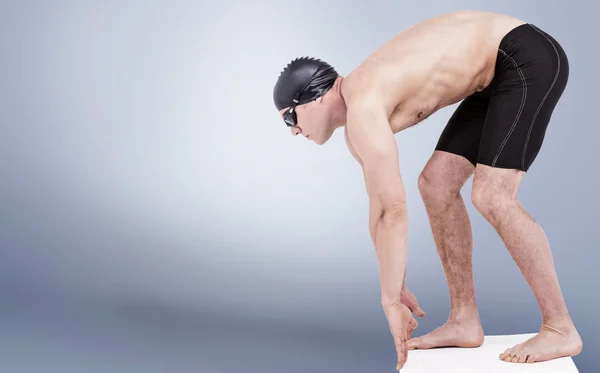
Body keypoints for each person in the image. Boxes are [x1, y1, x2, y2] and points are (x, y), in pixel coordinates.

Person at [272, 10, 582, 370]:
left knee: (491, 195)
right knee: (436, 185)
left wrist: (390, 302)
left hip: (523, 55)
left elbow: (393, 210)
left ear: (316, 97)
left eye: (290, 117)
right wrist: (396, 284)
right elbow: (380, 212)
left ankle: (560, 327)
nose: (293, 131)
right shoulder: (357, 126)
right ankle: (465, 319)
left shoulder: (364, 106)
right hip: (494, 74)